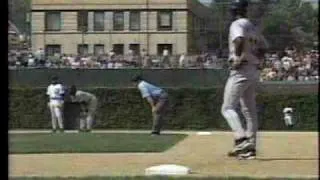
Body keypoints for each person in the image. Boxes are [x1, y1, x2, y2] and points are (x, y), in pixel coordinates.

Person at [221, 0, 268, 160]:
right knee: (249, 111)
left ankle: (241, 139)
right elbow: (264, 47)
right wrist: (259, 60)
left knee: (227, 108)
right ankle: (250, 149)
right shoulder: (253, 27)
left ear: (234, 11)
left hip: (241, 70)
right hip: (253, 70)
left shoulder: (237, 24)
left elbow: (239, 40)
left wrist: (238, 57)